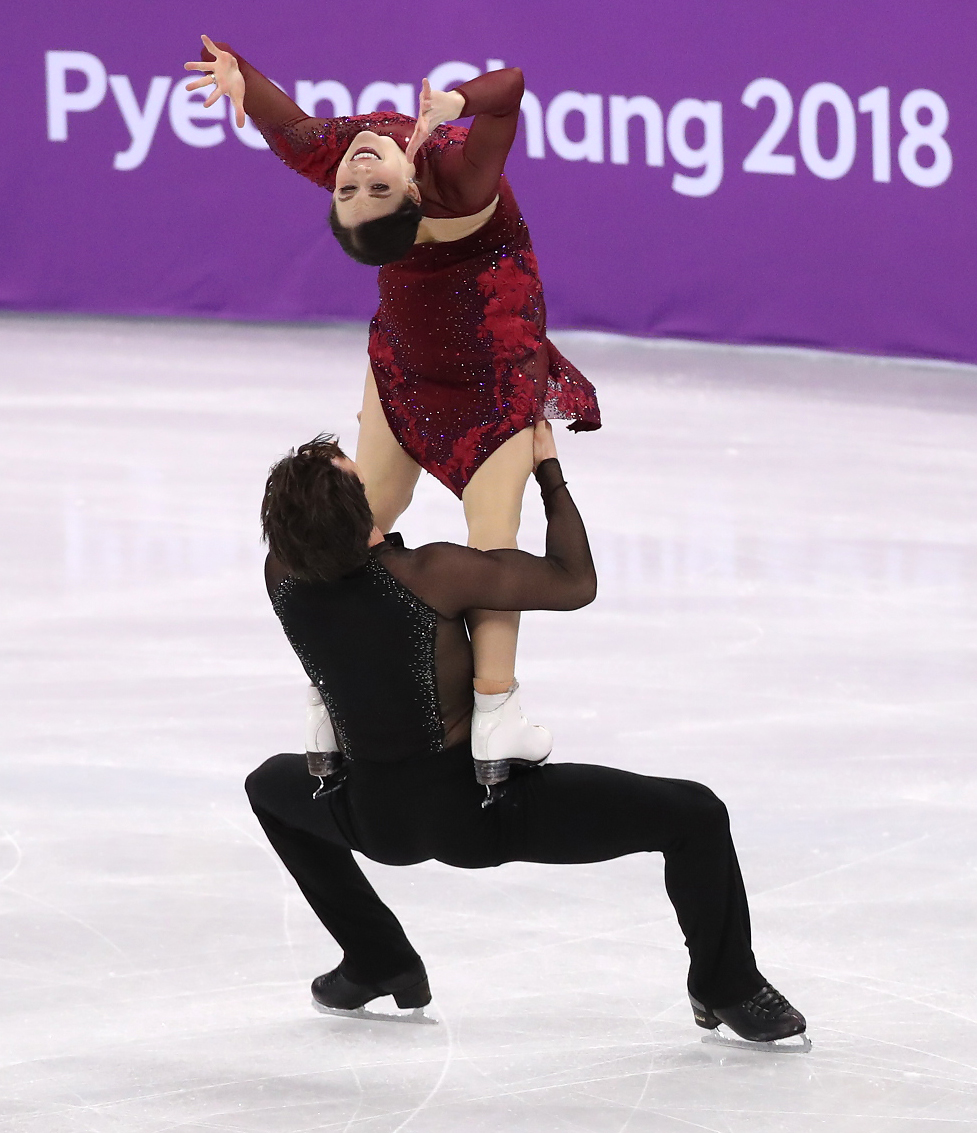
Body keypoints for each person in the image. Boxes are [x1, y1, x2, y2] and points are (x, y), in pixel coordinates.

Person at [246, 423, 808, 1046]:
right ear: (363, 510)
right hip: (478, 814)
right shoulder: (431, 574)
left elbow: (333, 537)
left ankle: (376, 956)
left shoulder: (282, 577)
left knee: (269, 787)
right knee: (695, 814)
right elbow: (575, 581)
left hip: (368, 816)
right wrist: (547, 472)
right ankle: (726, 985)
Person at [185, 38, 601, 780]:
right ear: (410, 198)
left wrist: (241, 77)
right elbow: (507, 88)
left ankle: (493, 712)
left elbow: (288, 129)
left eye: (354, 189)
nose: (357, 177)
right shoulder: (453, 179)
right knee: (360, 530)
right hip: (439, 379)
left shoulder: (376, 159)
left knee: (489, 542)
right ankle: (333, 695)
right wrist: (458, 105)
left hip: (451, 377)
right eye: (362, 189)